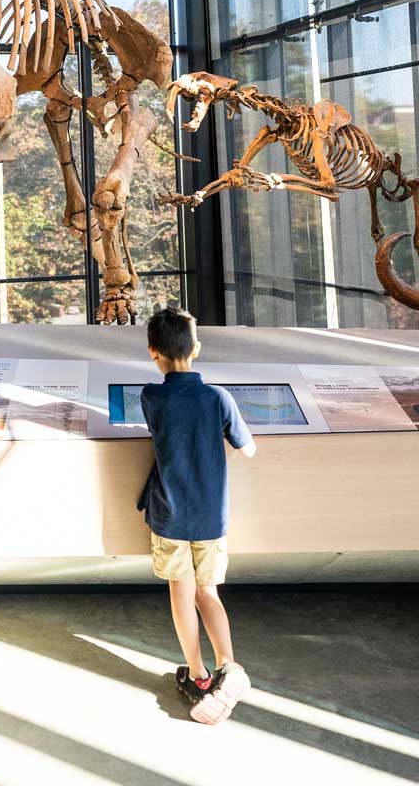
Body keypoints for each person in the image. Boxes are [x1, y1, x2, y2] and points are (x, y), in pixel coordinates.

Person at [137, 305, 256, 725]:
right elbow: (248, 447)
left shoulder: (151, 396)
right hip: (210, 517)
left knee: (181, 594)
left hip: (171, 516)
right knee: (210, 594)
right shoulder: (217, 397)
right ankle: (230, 665)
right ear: (197, 349)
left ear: (153, 352)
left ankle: (199, 674)